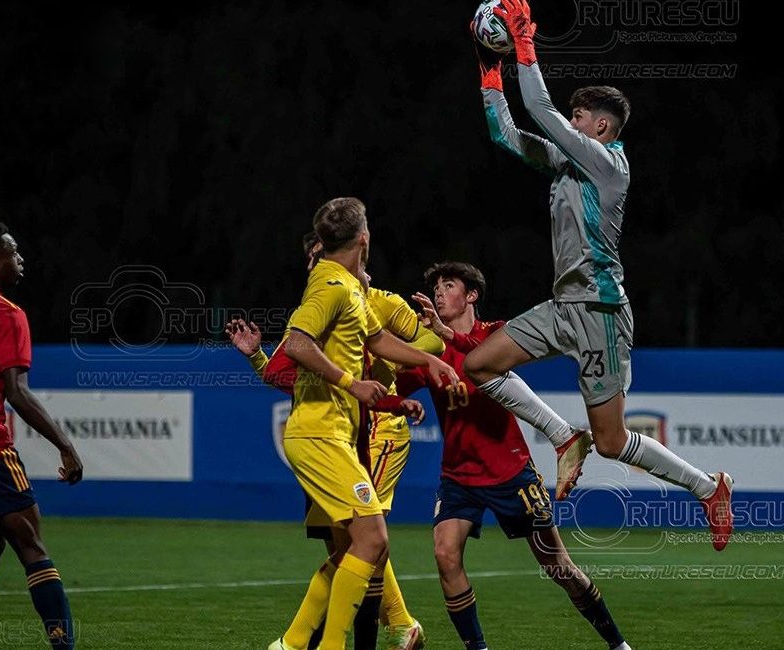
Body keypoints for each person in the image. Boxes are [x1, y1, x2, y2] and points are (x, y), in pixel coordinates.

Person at [463, 0, 733, 549]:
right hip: (564, 306)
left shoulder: (608, 166)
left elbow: (538, 109)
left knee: (611, 442)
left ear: (600, 127)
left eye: (579, 119)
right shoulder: (569, 164)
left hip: (601, 312)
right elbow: (507, 135)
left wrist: (522, 44)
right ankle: (564, 438)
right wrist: (491, 73)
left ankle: (708, 488)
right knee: (479, 364)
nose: (571, 125)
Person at [400, 261, 630, 650]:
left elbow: (484, 359)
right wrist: (392, 396)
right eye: (435, 287)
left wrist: (446, 337)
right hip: (458, 477)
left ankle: (617, 643)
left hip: (510, 473)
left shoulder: (495, 335)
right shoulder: (430, 351)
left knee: (558, 566)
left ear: (471, 296)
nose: (439, 293)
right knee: (444, 554)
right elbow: (392, 381)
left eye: (448, 285)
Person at [227, 232, 435, 650]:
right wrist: (255, 355)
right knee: (348, 543)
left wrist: (389, 379)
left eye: (318, 256)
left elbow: (431, 342)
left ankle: (311, 639)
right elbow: (283, 375)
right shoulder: (318, 307)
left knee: (363, 538)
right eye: (309, 259)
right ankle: (391, 624)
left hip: (373, 433)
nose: (313, 266)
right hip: (332, 432)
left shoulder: (380, 302)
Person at [266, 198, 458, 650]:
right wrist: (351, 384)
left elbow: (378, 339)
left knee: (359, 545)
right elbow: (295, 344)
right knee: (370, 540)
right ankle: (331, 642)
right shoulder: (331, 285)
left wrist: (429, 360)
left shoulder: (350, 288)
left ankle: (294, 643)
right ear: (364, 240)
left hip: (333, 434)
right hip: (318, 433)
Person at [0, 222, 83, 649]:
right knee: (30, 542)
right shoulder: (7, 313)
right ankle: (64, 645)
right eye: (13, 251)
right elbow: (17, 392)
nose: (20, 258)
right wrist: (66, 446)